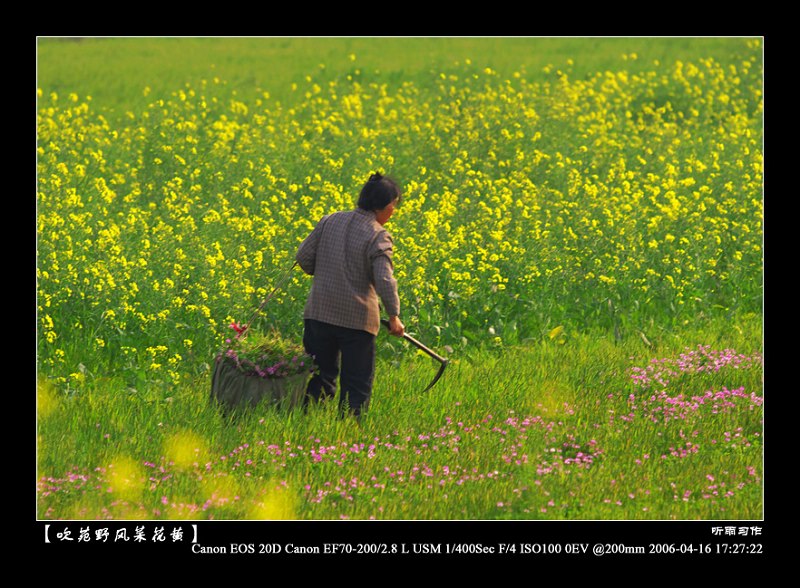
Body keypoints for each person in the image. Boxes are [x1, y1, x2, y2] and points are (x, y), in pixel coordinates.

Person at [296, 173, 405, 418]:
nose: (393, 212)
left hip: (319, 314)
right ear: (384, 207)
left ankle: (308, 425)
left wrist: (326, 273)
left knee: (319, 376)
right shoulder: (378, 235)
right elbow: (384, 279)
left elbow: (303, 257)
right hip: (357, 322)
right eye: (393, 206)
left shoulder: (330, 220)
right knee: (356, 383)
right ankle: (349, 432)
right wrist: (394, 315)